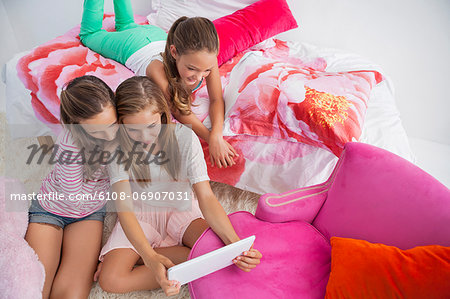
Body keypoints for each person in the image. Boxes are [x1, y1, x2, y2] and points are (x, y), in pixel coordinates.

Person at [96, 76, 261, 296]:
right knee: (111, 280)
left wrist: (234, 245)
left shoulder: (184, 137)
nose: (144, 137)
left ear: (162, 115)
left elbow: (206, 197)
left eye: (151, 126)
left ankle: (162, 255)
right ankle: (161, 257)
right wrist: (149, 257)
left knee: (222, 254)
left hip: (180, 209)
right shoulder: (116, 147)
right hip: (139, 215)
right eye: (133, 130)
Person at [79, 0, 238, 168]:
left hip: (155, 35)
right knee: (90, 35)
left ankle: (127, 26)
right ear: (174, 52)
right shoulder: (157, 70)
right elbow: (179, 110)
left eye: (205, 70)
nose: (200, 77)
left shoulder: (204, 61)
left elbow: (216, 99)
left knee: (127, 24)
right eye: (192, 69)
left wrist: (217, 136)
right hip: (133, 45)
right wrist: (209, 137)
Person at [25, 75, 119, 299]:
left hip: (88, 215)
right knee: (34, 289)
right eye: (97, 133)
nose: (109, 136)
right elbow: (73, 199)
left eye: (112, 125)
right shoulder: (69, 146)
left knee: (71, 294)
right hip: (51, 210)